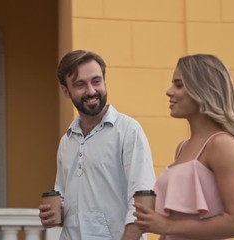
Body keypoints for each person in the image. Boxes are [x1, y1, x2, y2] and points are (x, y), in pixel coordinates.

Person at [133, 54, 234, 240]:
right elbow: (175, 223)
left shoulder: (221, 145)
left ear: (203, 90)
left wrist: (167, 226)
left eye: (179, 84)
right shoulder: (183, 147)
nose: (169, 91)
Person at [39, 50, 156, 240]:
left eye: (96, 81)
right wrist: (53, 215)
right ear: (66, 91)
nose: (91, 91)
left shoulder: (128, 131)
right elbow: (63, 202)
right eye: (80, 84)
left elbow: (142, 201)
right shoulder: (66, 141)